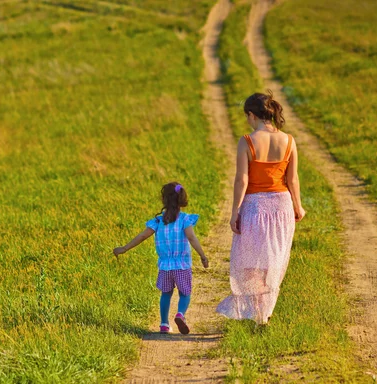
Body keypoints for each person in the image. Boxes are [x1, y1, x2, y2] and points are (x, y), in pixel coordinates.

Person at [216, 91, 306, 324]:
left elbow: (242, 180)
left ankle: (258, 313)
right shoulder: (289, 141)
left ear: (252, 115)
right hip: (282, 205)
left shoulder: (247, 141)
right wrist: (298, 206)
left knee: (251, 262)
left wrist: (235, 211)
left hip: (255, 206)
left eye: (247, 116)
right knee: (273, 261)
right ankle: (265, 312)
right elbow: (292, 179)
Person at [113, 182, 209, 334]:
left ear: (164, 200)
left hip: (165, 266)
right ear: (182, 199)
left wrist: (124, 248)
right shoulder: (185, 219)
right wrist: (202, 256)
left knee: (166, 294)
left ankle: (164, 324)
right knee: (185, 293)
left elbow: (143, 236)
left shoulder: (158, 221)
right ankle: (180, 314)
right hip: (182, 265)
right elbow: (191, 237)